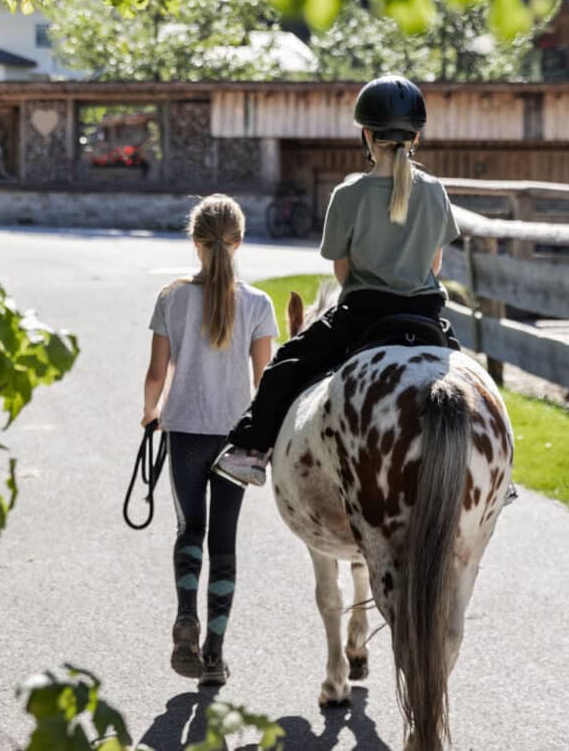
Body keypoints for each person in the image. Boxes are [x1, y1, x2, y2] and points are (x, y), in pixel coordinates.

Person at [213, 75, 460, 488]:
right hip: (425, 316)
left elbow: (341, 272)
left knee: (285, 366)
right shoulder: (435, 192)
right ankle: (498, 477)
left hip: (363, 316)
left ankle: (250, 451)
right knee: (471, 387)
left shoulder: (348, 194)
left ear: (366, 134)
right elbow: (435, 265)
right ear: (415, 136)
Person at [142, 194, 277, 687]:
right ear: (238, 242)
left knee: (188, 530)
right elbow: (264, 382)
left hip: (185, 432)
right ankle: (214, 656)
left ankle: (185, 618)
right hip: (235, 438)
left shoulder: (171, 297)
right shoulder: (259, 305)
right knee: (224, 542)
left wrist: (150, 412)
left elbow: (157, 372)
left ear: (194, 242)